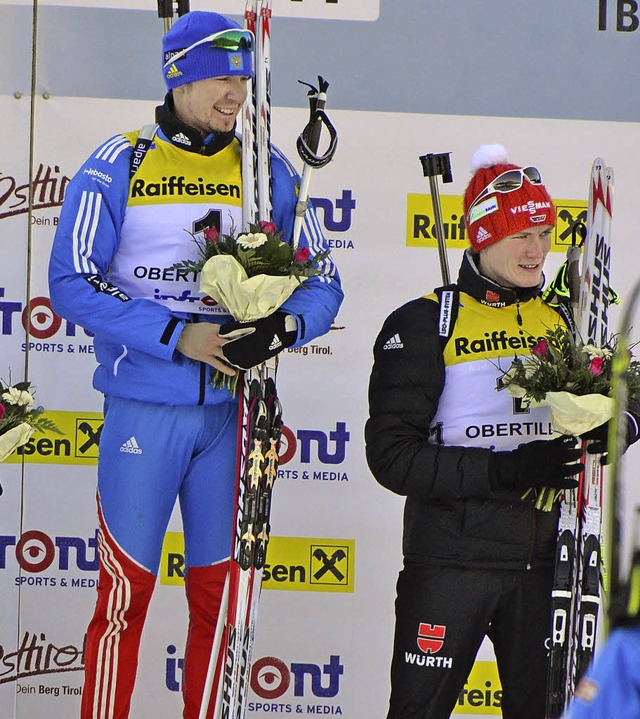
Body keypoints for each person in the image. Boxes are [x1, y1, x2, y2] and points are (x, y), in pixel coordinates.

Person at [48, 11, 342, 719]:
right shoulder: (119, 161)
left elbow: (323, 281)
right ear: (178, 73)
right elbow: (71, 280)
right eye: (220, 75)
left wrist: (280, 329)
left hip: (230, 418)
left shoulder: (265, 167)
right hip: (146, 411)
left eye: (243, 77)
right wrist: (175, 334)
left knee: (222, 602)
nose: (236, 92)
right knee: (125, 598)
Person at [365, 143, 640, 719]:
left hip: (550, 567)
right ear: (482, 237)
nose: (536, 250)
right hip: (451, 563)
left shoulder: (563, 318)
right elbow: (392, 457)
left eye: (543, 233)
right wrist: (509, 470)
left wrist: (613, 430)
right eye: (520, 234)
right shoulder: (423, 321)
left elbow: (617, 404)